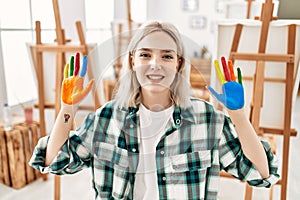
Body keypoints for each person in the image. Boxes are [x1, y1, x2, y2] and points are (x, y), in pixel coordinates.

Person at [30, 21, 279, 200]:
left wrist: (238, 116)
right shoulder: (105, 118)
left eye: (167, 57)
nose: (155, 65)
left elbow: (260, 172)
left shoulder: (208, 120)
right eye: (145, 54)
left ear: (179, 63)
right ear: (132, 60)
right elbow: (54, 160)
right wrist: (66, 110)